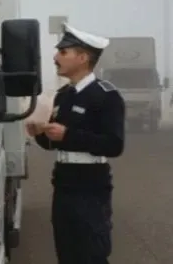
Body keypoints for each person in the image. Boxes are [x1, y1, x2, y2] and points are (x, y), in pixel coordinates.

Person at [26, 23, 125, 264]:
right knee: (67, 253)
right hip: (64, 182)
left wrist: (68, 135)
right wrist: (39, 133)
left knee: (91, 253)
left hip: (91, 184)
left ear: (82, 58)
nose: (55, 57)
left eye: (63, 52)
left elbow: (114, 145)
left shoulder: (106, 95)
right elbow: (54, 144)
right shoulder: (63, 96)